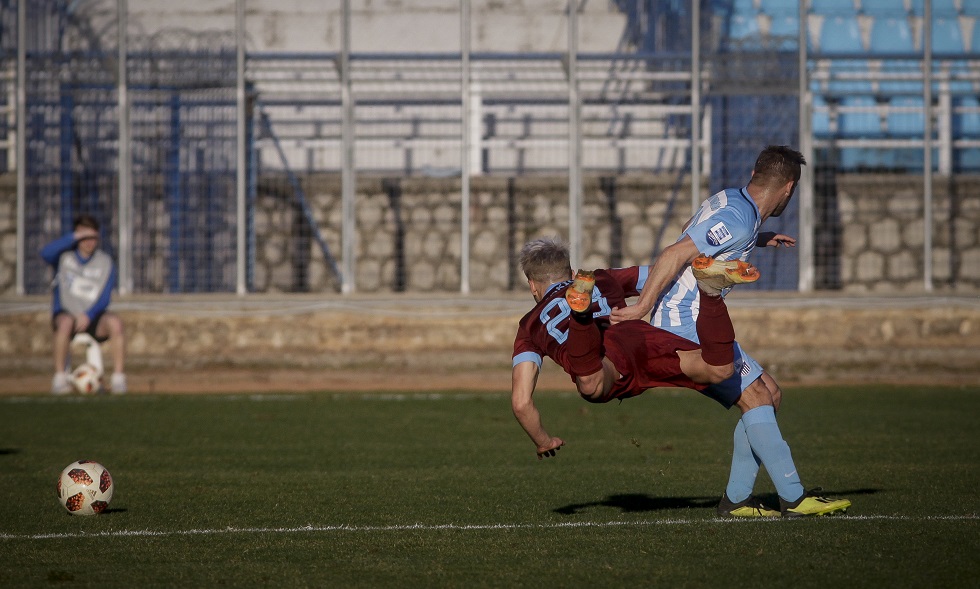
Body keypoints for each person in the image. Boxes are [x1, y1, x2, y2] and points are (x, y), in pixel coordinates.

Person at [610, 145, 850, 518]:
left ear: (756, 174)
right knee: (755, 396)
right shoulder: (739, 220)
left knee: (769, 394)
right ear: (789, 188)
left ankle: (737, 498)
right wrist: (641, 306)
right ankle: (795, 497)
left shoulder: (736, 203)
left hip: (695, 315)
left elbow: (716, 237)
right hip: (682, 321)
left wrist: (760, 238)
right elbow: (675, 254)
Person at [41, 214, 127, 395]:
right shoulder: (64, 257)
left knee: (115, 323)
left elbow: (105, 297)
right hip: (67, 315)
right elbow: (45, 253)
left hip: (93, 317)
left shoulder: (105, 262)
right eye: (84, 237)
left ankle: (119, 378)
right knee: (64, 322)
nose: (89, 242)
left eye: (93, 237)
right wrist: (73, 237)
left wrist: (89, 314)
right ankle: (60, 378)